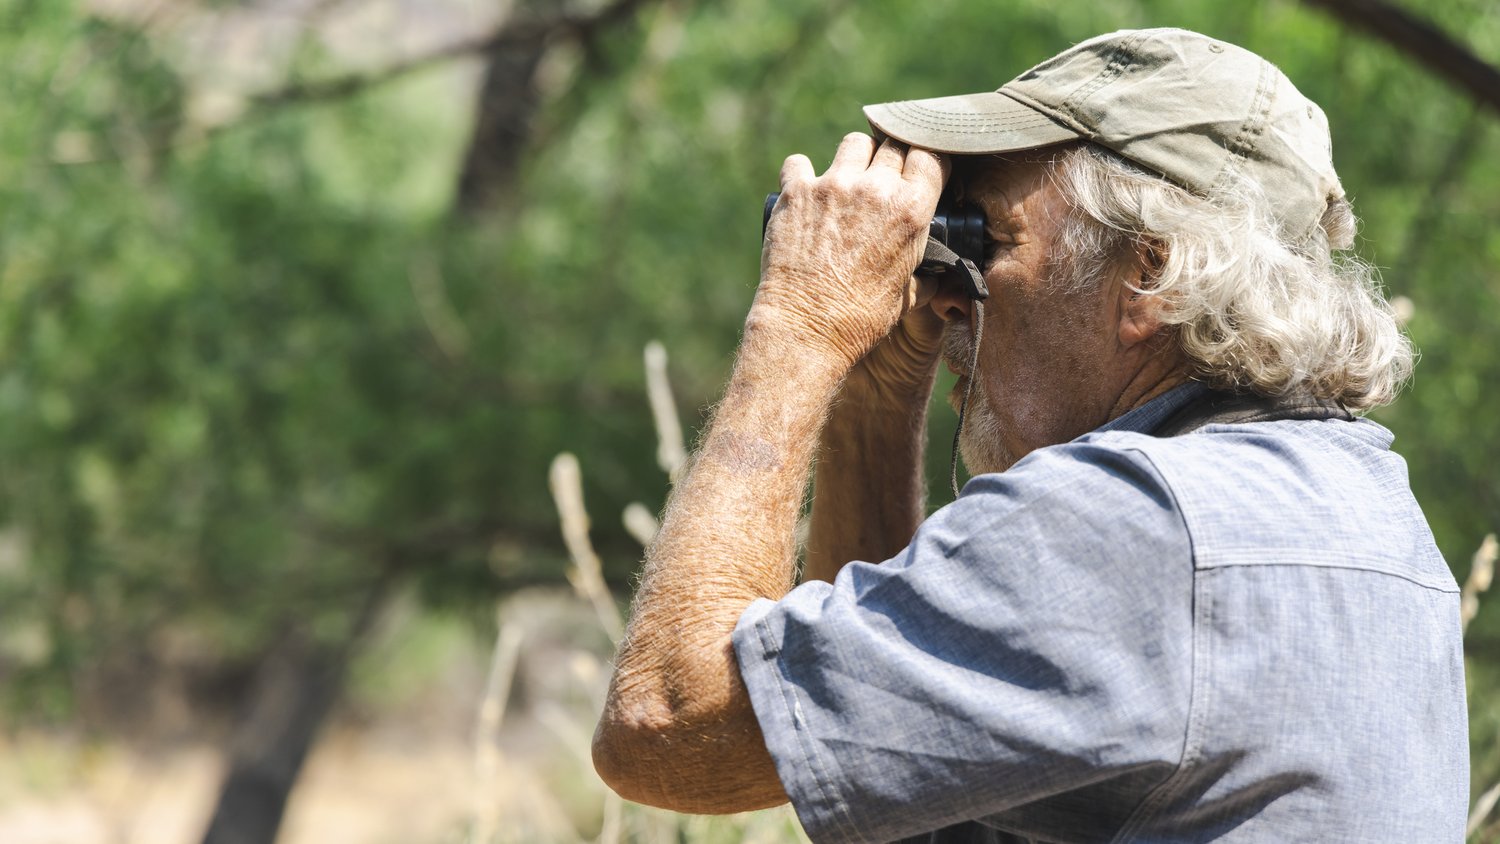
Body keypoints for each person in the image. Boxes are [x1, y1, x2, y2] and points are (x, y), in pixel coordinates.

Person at [590, 27, 1469, 843]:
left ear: (1150, 274)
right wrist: (877, 387)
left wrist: (802, 319)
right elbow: (886, 801)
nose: (946, 294)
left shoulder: (1132, 521)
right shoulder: (1362, 508)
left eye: (988, 241)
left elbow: (668, 725)